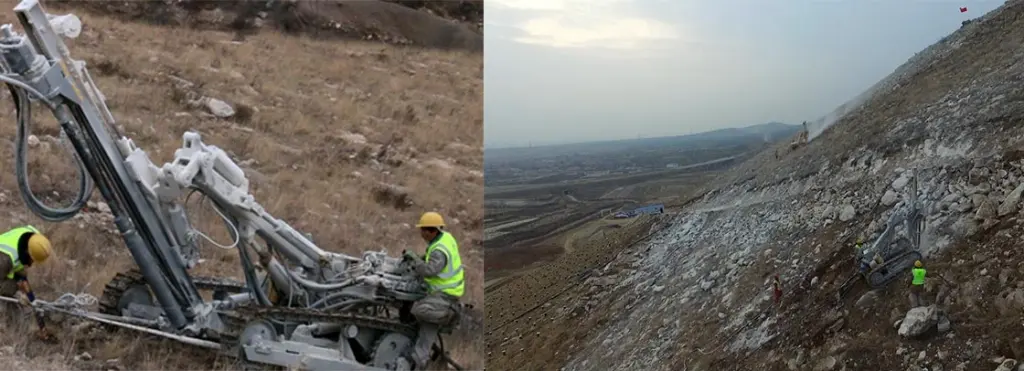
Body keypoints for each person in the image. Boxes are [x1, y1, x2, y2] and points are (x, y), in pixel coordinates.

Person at [400, 212, 464, 370]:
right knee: (422, 324)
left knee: (419, 312)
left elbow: (430, 270)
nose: (421, 233)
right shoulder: (445, 238)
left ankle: (417, 362)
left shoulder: (439, 250)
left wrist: (415, 261)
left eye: (423, 230)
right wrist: (420, 258)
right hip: (446, 293)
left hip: (444, 297)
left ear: (432, 231)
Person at [0, 226, 52, 339]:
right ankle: (10, 335)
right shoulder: (5, 259)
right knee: (8, 294)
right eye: (32, 260)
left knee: (22, 276)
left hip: (11, 260)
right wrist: (16, 286)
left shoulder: (34, 237)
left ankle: (38, 329)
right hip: (2, 263)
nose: (31, 264)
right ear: (27, 252)